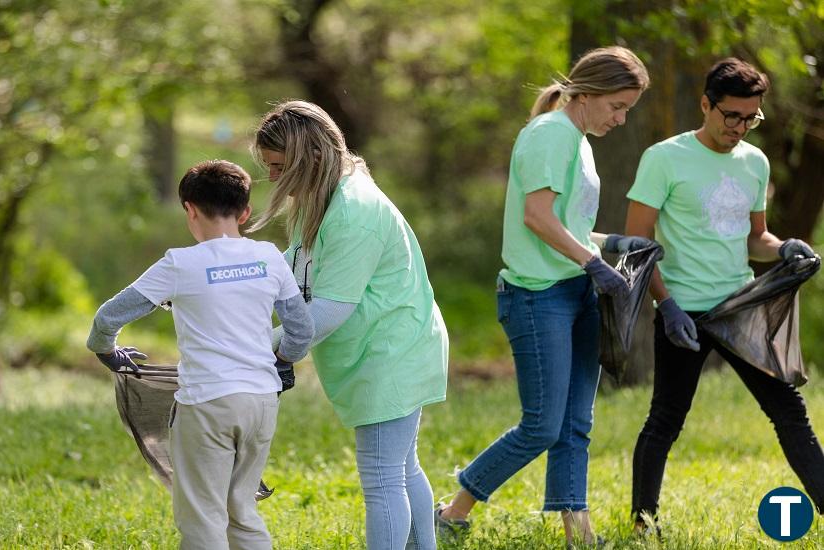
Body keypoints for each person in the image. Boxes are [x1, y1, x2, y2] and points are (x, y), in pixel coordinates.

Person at [435, 46, 652, 547]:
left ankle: (580, 534)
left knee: (576, 423)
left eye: (627, 110)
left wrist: (615, 245)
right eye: (617, 106)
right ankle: (452, 512)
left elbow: (569, 226)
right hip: (537, 296)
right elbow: (537, 217)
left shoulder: (579, 139)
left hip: (576, 291)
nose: (621, 119)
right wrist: (594, 262)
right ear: (589, 93)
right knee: (542, 426)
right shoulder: (550, 134)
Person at [626, 57, 824, 532]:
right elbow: (636, 246)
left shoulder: (755, 161)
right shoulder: (664, 158)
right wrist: (666, 304)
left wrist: (784, 248)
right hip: (684, 311)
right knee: (666, 420)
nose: (739, 127)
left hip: (739, 307)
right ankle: (643, 522)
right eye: (730, 115)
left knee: (790, 413)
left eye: (749, 118)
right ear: (706, 105)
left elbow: (755, 237)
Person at [250, 100, 449, 549]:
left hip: (392, 350)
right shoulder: (320, 198)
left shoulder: (354, 211)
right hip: (388, 345)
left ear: (312, 158)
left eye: (280, 166)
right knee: (401, 467)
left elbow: (326, 312)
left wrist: (256, 350)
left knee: (382, 477)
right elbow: (294, 269)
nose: (273, 178)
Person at [86, 160, 313, 550]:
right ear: (244, 212)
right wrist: (284, 361)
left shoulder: (180, 264)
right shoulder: (269, 257)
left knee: (202, 518)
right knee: (241, 509)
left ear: (189, 208)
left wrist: (106, 350)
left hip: (207, 404)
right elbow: (302, 330)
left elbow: (109, 317)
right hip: (261, 401)